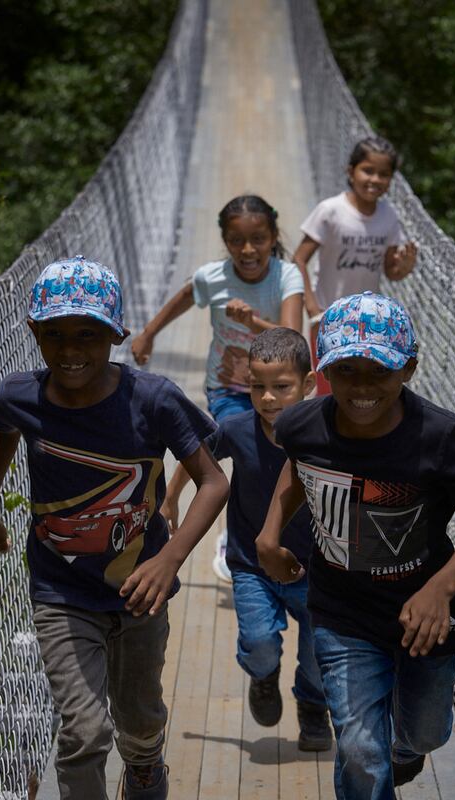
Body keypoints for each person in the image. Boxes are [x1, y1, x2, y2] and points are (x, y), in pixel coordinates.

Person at [0, 255, 230, 800]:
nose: (70, 349)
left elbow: (213, 482)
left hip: (140, 589)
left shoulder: (151, 400)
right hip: (60, 590)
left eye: (87, 335)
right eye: (55, 334)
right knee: (84, 731)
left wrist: (169, 560)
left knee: (138, 717)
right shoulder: (21, 395)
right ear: (34, 333)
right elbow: (2, 427)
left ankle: (144, 763)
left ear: (117, 335)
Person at [256, 291, 455, 800]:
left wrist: (441, 588)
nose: (362, 386)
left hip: (423, 615)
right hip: (340, 611)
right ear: (324, 371)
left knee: (426, 732)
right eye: (346, 371)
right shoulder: (299, 425)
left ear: (408, 369)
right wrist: (268, 535)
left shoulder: (437, 436)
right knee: (358, 749)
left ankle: (406, 750)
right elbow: (300, 469)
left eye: (379, 372)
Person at [160, 327, 331, 751]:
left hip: (316, 569)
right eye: (258, 387)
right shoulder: (237, 429)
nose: (268, 398)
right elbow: (196, 455)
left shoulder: (326, 432)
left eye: (281, 387)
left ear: (308, 384)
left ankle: (312, 705)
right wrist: (170, 499)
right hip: (252, 565)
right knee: (259, 643)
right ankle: (263, 675)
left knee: (318, 655)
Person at [131, 194, 304, 582]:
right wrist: (148, 333)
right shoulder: (213, 277)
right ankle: (224, 528)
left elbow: (293, 336)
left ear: (273, 237)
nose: (248, 250)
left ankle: (257, 529)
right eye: (236, 241)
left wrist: (252, 322)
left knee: (272, 456)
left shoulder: (286, 276)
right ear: (225, 241)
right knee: (236, 441)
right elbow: (184, 296)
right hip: (228, 387)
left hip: (279, 387)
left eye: (258, 239)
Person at [293, 136, 419, 395]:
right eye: (368, 170)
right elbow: (299, 258)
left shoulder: (388, 216)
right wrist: (311, 306)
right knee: (329, 388)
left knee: (360, 387)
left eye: (383, 174)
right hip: (328, 317)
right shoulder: (331, 211)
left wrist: (403, 268)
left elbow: (390, 271)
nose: (375, 179)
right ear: (351, 172)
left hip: (369, 322)